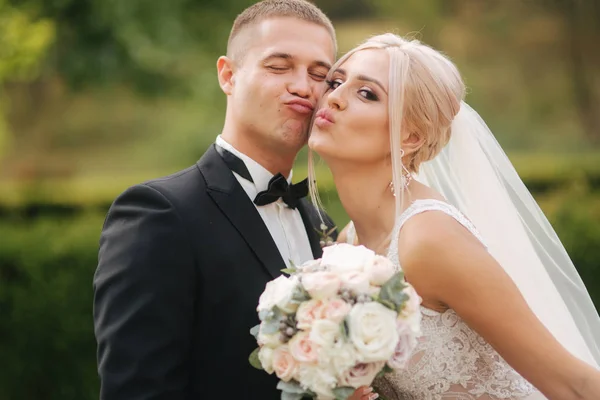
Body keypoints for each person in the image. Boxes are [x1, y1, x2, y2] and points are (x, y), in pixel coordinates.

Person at [309, 33, 600, 400]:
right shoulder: (349, 244)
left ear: (410, 137)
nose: (333, 96)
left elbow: (575, 386)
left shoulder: (429, 238)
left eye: (367, 93)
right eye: (336, 82)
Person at [93, 1, 342, 399]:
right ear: (228, 75)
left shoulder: (320, 222)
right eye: (279, 67)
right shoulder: (159, 213)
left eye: (320, 75)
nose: (303, 86)